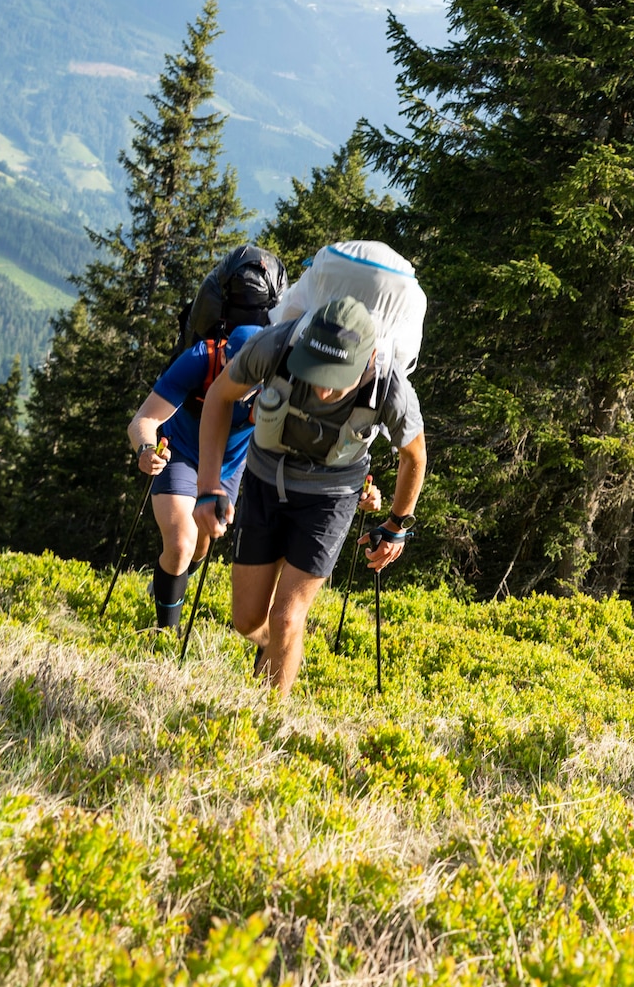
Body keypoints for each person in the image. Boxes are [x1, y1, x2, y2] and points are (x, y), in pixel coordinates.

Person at [192, 296, 425, 695]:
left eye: (336, 377)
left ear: (367, 360)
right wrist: (207, 487)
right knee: (247, 620)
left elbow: (414, 455)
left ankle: (268, 725)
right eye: (316, 372)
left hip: (330, 496)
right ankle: (282, 648)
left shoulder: (390, 389)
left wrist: (397, 524)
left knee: (286, 617)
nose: (322, 389)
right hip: (267, 479)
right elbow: (219, 396)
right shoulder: (276, 346)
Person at [125, 323, 263, 631]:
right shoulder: (200, 359)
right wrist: (146, 451)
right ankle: (164, 633)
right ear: (226, 357)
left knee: (200, 547)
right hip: (180, 454)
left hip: (228, 466)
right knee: (180, 544)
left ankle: (168, 584)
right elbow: (144, 419)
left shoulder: (276, 382)